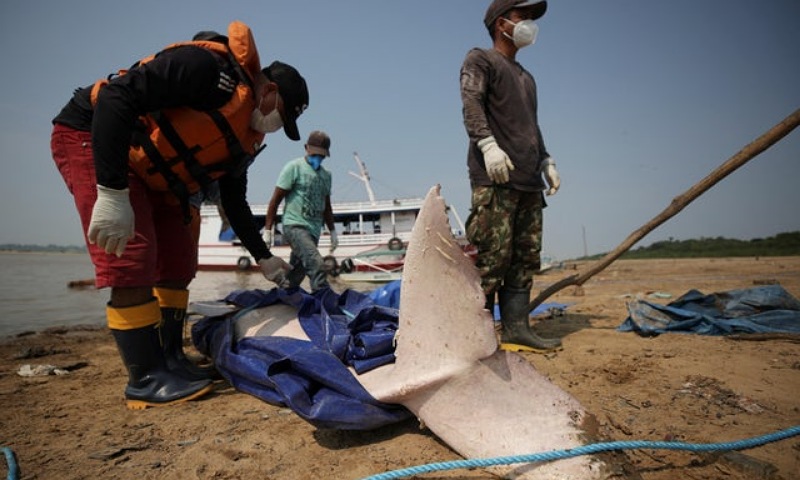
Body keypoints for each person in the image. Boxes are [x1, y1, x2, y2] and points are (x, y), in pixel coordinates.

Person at [50, 21, 309, 409]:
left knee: (178, 259)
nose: (274, 128)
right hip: (96, 136)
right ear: (268, 91)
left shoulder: (244, 138)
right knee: (132, 255)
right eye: (281, 117)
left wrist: (264, 257)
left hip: (159, 176)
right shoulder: (205, 68)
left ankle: (170, 359)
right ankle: (146, 378)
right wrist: (111, 191)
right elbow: (116, 98)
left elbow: (234, 199)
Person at [460, 0, 562, 353]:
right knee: (492, 257)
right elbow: (471, 102)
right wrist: (487, 144)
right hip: (496, 179)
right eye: (523, 16)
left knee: (523, 257)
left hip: (529, 180)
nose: (529, 24)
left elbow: (530, 125)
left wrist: (546, 159)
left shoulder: (526, 78)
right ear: (501, 22)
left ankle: (517, 327)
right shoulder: (481, 60)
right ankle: (474, 337)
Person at [263, 130, 337, 292]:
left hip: (314, 229)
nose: (318, 158)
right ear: (306, 148)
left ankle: (284, 293)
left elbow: (327, 205)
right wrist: (268, 230)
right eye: (315, 154)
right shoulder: (293, 168)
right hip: (294, 225)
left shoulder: (326, 176)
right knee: (316, 264)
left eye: (322, 155)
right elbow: (275, 200)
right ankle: (325, 301)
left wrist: (332, 231)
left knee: (297, 272)